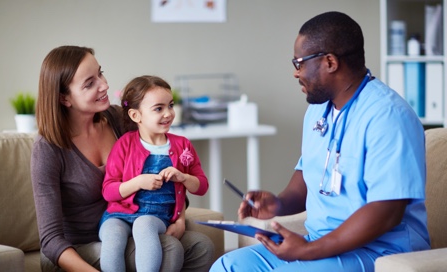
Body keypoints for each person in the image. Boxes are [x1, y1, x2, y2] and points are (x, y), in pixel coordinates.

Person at [211, 11, 430, 272]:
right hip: (320, 243)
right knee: (228, 265)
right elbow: (307, 178)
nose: (296, 73)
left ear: (329, 62)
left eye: (299, 63)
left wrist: (308, 251)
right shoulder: (318, 109)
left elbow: (387, 212)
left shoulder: (388, 117)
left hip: (378, 251)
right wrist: (278, 204)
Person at [31, 45, 214, 272]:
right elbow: (50, 241)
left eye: (100, 73)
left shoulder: (119, 119)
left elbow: (169, 179)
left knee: (201, 246)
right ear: (64, 98)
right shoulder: (48, 148)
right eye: (90, 83)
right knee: (168, 248)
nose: (104, 85)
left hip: (137, 225)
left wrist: (178, 218)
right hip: (81, 247)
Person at [98, 75, 209, 272]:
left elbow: (201, 186)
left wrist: (183, 178)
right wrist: (138, 182)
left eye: (170, 105)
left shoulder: (182, 145)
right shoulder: (124, 144)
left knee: (144, 223)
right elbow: (108, 191)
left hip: (157, 217)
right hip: (119, 214)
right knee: (111, 237)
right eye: (159, 108)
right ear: (135, 116)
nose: (168, 113)